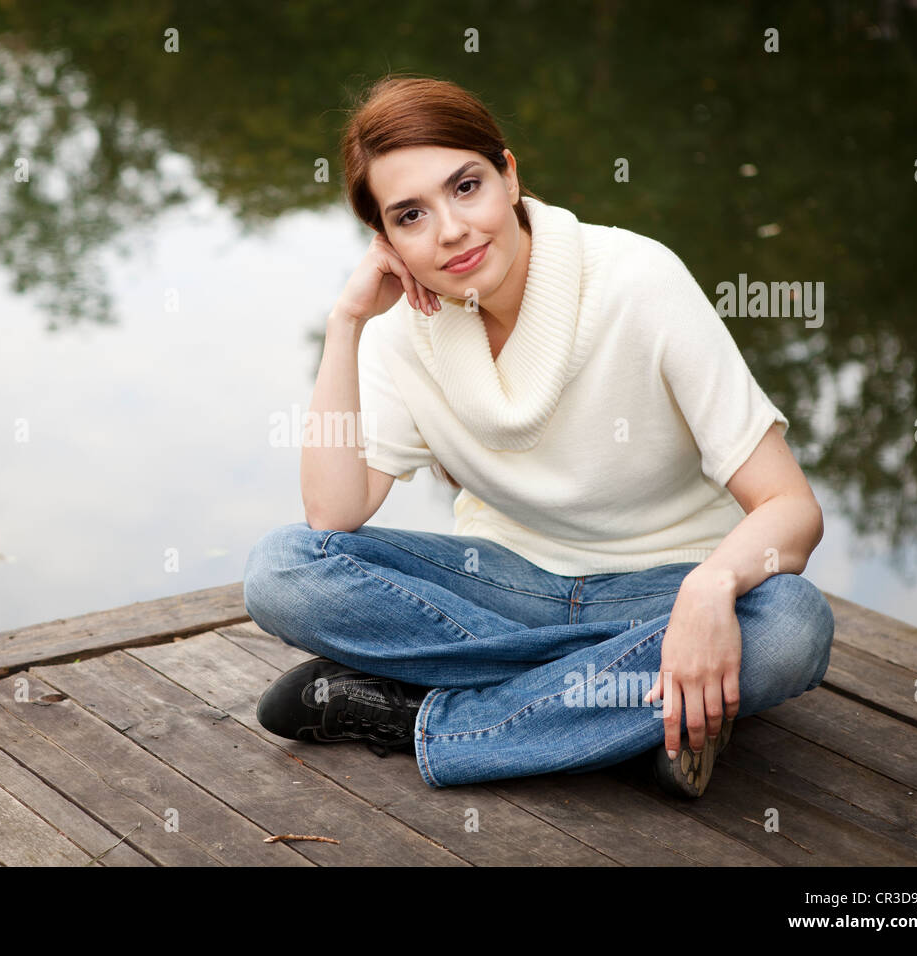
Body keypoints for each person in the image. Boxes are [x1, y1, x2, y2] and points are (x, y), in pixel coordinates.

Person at [242, 75, 834, 798]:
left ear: (509, 174)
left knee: (790, 626)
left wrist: (709, 592)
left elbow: (791, 510)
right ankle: (627, 706)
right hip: (500, 586)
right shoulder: (401, 330)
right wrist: (346, 323)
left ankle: (424, 719)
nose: (451, 230)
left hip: (661, 591)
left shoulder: (636, 280)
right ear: (385, 239)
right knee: (281, 569)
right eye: (411, 215)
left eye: (465, 187)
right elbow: (333, 516)